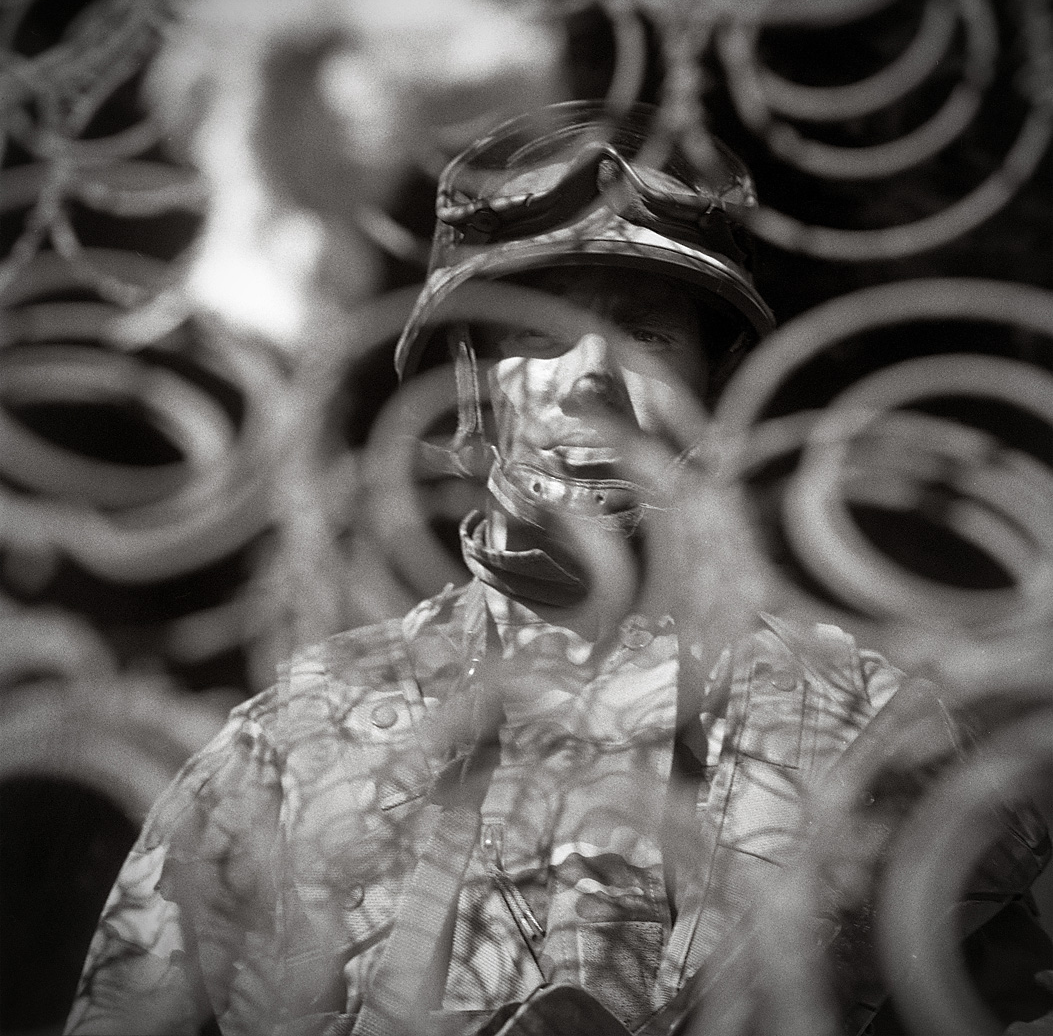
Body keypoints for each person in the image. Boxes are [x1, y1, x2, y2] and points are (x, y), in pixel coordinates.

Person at [65, 102, 1050, 1036]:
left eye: (647, 335)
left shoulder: (869, 734)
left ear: (710, 384)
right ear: (473, 386)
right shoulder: (298, 744)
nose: (590, 382)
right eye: (536, 335)